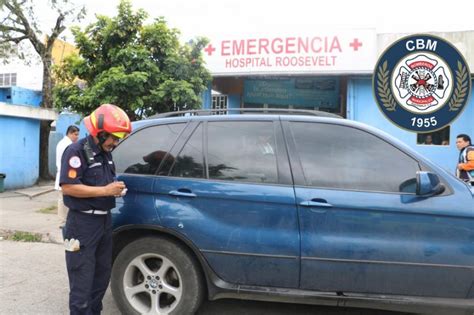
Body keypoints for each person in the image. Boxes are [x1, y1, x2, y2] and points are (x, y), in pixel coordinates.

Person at [59, 104, 132, 315]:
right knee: (82, 281)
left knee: (101, 278)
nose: (116, 142)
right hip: (82, 224)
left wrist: (115, 189)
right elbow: (69, 187)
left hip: (103, 223)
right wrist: (105, 190)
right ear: (99, 133)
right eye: (113, 137)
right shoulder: (76, 151)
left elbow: (105, 184)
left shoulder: (105, 154)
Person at [55, 125, 80, 230]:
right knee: (63, 201)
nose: (77, 137)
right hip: (65, 176)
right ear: (69, 133)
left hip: (63, 175)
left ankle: (64, 221)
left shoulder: (63, 143)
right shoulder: (68, 145)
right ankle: (63, 222)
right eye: (75, 134)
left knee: (63, 200)